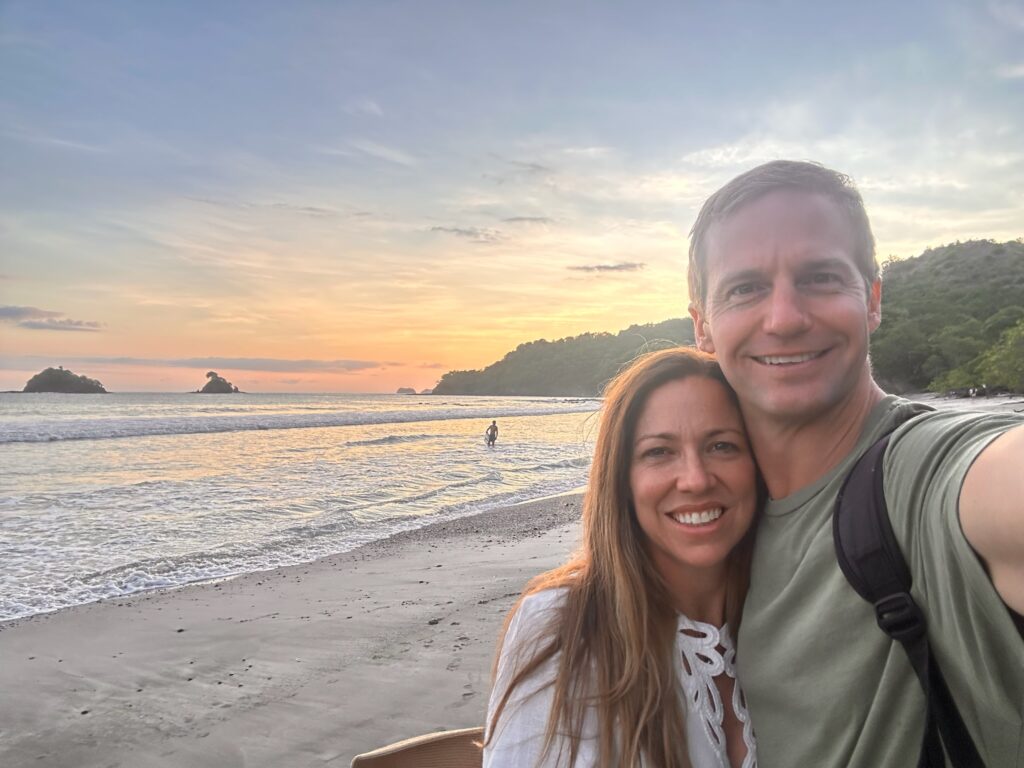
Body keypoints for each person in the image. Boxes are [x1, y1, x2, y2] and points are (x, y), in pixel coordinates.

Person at [686, 159, 1024, 767]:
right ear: (702, 327)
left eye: (819, 278)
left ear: (871, 301)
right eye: (745, 289)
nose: (785, 318)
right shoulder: (723, 519)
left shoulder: (918, 473)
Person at [484, 348, 759, 768]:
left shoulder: (790, 618)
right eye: (659, 452)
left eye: (722, 445)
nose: (696, 479)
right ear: (621, 479)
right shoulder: (564, 631)